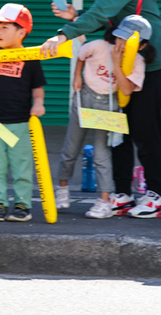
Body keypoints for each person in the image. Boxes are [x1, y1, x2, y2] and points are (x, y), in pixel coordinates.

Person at [41, 0, 161, 219]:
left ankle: (156, 196)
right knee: (118, 130)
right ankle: (122, 194)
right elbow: (107, 18)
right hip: (120, 57)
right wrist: (77, 16)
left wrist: (63, 33)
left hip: (149, 62)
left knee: (143, 128)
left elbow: (101, 13)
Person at [55, 16, 152, 219]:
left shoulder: (137, 62)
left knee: (101, 155)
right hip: (85, 98)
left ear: (141, 46)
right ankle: (62, 188)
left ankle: (104, 202)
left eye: (129, 42)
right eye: (120, 38)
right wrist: (77, 76)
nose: (121, 44)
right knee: (70, 148)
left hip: (108, 105)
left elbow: (126, 89)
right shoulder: (99, 46)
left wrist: (117, 64)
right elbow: (81, 55)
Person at [0, 4, 46, 222]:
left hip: (20, 123)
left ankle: (22, 205)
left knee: (21, 166)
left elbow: (37, 87)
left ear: (22, 32)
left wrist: (39, 103)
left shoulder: (31, 57)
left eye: (5, 27)